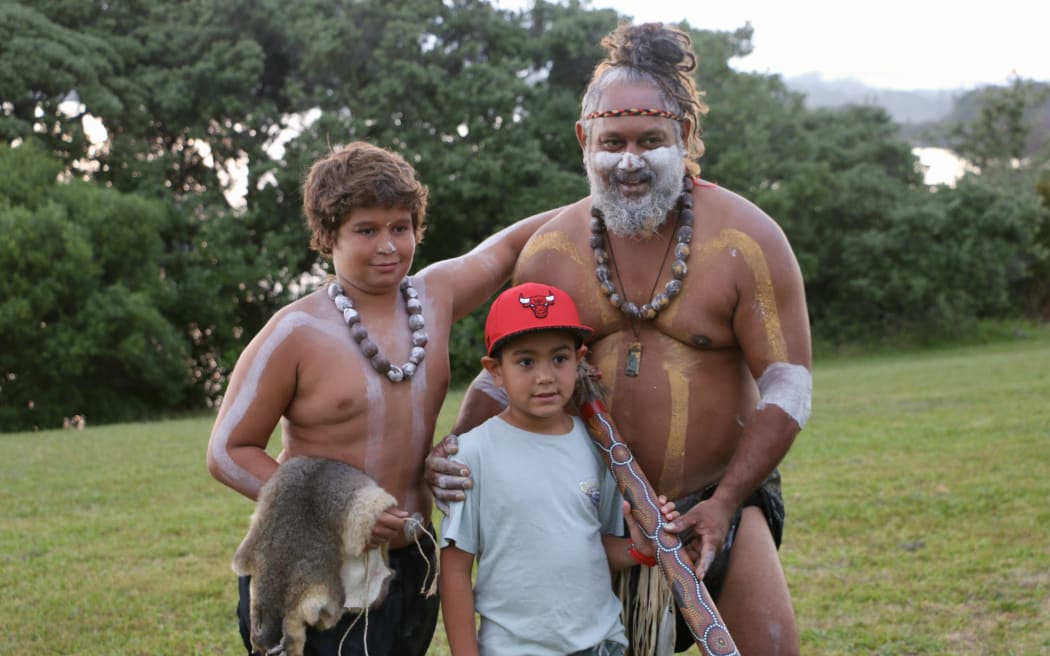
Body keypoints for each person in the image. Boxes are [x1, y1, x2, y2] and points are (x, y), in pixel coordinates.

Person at [427, 22, 812, 656]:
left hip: (722, 500)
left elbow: (788, 385)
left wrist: (725, 502)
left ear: (683, 136)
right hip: (592, 514)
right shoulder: (553, 252)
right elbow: (513, 370)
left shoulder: (746, 242)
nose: (629, 161)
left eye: (649, 141)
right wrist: (456, 451)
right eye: (613, 142)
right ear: (585, 140)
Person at [206, 141, 559, 656]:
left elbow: (509, 248)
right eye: (366, 230)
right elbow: (227, 452)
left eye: (401, 227)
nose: (389, 245)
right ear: (327, 235)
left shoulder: (435, 297)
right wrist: (340, 511)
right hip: (318, 567)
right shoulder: (295, 332)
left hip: (412, 561)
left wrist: (605, 189)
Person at [440, 282, 667, 656]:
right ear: (495, 371)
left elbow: (593, 545)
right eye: (526, 362)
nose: (545, 376)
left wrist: (637, 548)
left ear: (579, 360)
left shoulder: (598, 447)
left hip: (601, 644)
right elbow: (454, 571)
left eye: (559, 359)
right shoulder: (473, 453)